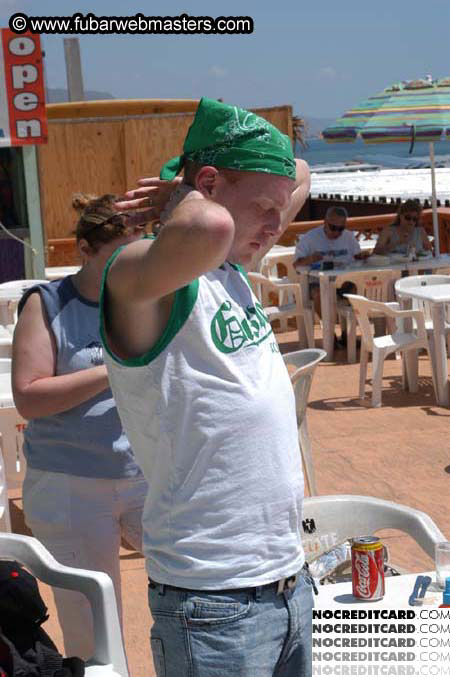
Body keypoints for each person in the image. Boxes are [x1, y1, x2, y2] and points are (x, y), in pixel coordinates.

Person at [101, 97, 313, 676]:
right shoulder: (137, 275)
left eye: (279, 210)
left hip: (288, 583)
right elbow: (210, 223)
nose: (276, 225)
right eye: (263, 209)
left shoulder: (233, 271)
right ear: (209, 186)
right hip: (213, 601)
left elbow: (299, 173)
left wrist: (217, 183)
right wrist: (182, 193)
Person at [11, 193, 149, 660]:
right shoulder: (47, 303)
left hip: (144, 474)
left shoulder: (145, 299)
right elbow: (29, 397)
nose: (129, 266)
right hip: (70, 483)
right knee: (95, 626)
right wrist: (114, 366)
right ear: (84, 251)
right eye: (118, 256)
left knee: (196, 584)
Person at [293, 206, 361, 321]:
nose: (337, 232)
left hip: (343, 280)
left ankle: (349, 332)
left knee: (359, 287)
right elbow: (296, 265)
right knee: (319, 293)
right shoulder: (310, 238)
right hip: (316, 282)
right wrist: (310, 259)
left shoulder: (349, 237)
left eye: (341, 228)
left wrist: (363, 257)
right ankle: (329, 333)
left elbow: (358, 258)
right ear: (325, 222)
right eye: (333, 227)